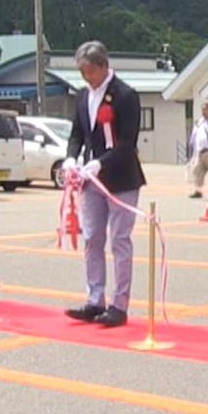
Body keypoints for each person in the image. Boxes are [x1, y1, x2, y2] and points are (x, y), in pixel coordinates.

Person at [63, 41, 146, 328]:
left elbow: (127, 142)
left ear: (103, 66)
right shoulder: (83, 97)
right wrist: (71, 159)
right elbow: (77, 133)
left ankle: (119, 304)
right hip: (90, 179)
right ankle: (94, 298)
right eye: (82, 74)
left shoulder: (125, 95)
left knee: (119, 240)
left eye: (89, 72)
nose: (86, 78)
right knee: (92, 237)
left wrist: (102, 162)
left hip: (121, 177)